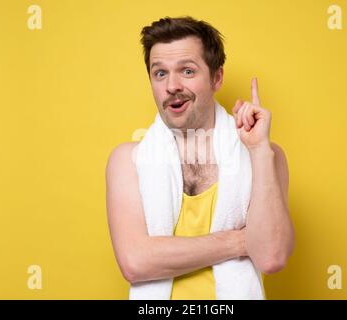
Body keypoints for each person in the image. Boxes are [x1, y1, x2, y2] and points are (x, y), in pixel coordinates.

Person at [106, 16, 295, 299]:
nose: (172, 85)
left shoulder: (265, 156)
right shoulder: (128, 160)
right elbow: (135, 263)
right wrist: (240, 241)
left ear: (216, 78)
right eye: (160, 73)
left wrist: (258, 150)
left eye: (187, 71)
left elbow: (271, 255)